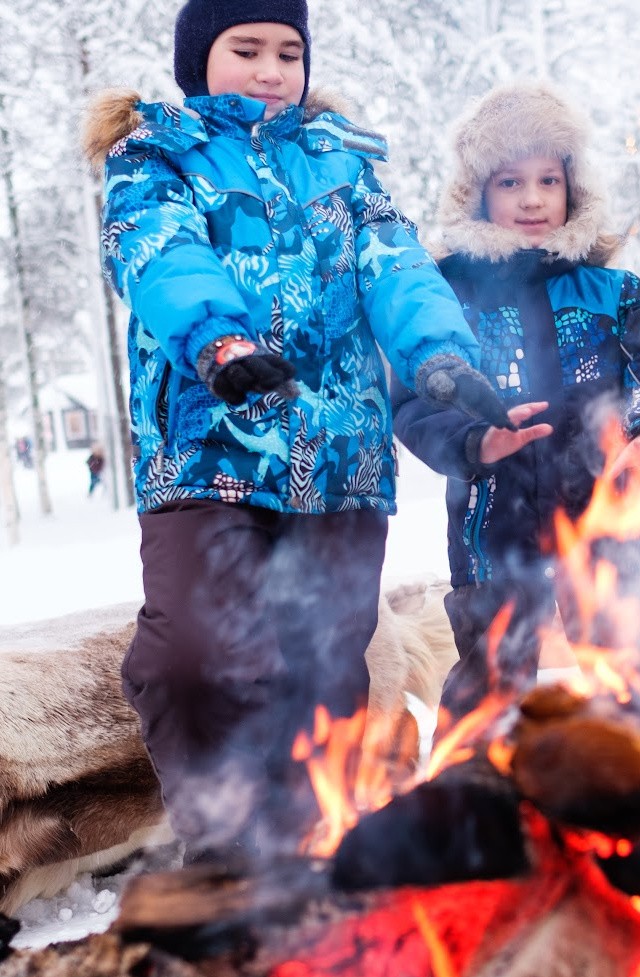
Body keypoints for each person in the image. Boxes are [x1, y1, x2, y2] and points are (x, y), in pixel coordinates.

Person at [80, 0, 511, 864]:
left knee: (323, 673)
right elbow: (157, 249)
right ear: (201, 58)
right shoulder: (155, 152)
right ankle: (225, 845)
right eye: (248, 50)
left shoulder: (343, 163)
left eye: (289, 52)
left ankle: (307, 852)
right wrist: (220, 341)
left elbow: (396, 263)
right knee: (189, 660)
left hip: (341, 461)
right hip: (211, 453)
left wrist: (438, 353)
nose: (272, 70)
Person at [393, 81, 640, 733]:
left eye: (547, 180)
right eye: (510, 182)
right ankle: (467, 810)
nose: (532, 198)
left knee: (634, 665)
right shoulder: (445, 295)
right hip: (491, 525)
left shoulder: (615, 293)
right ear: (478, 191)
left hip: (606, 515)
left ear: (572, 188)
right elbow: (415, 395)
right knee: (490, 675)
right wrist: (472, 443)